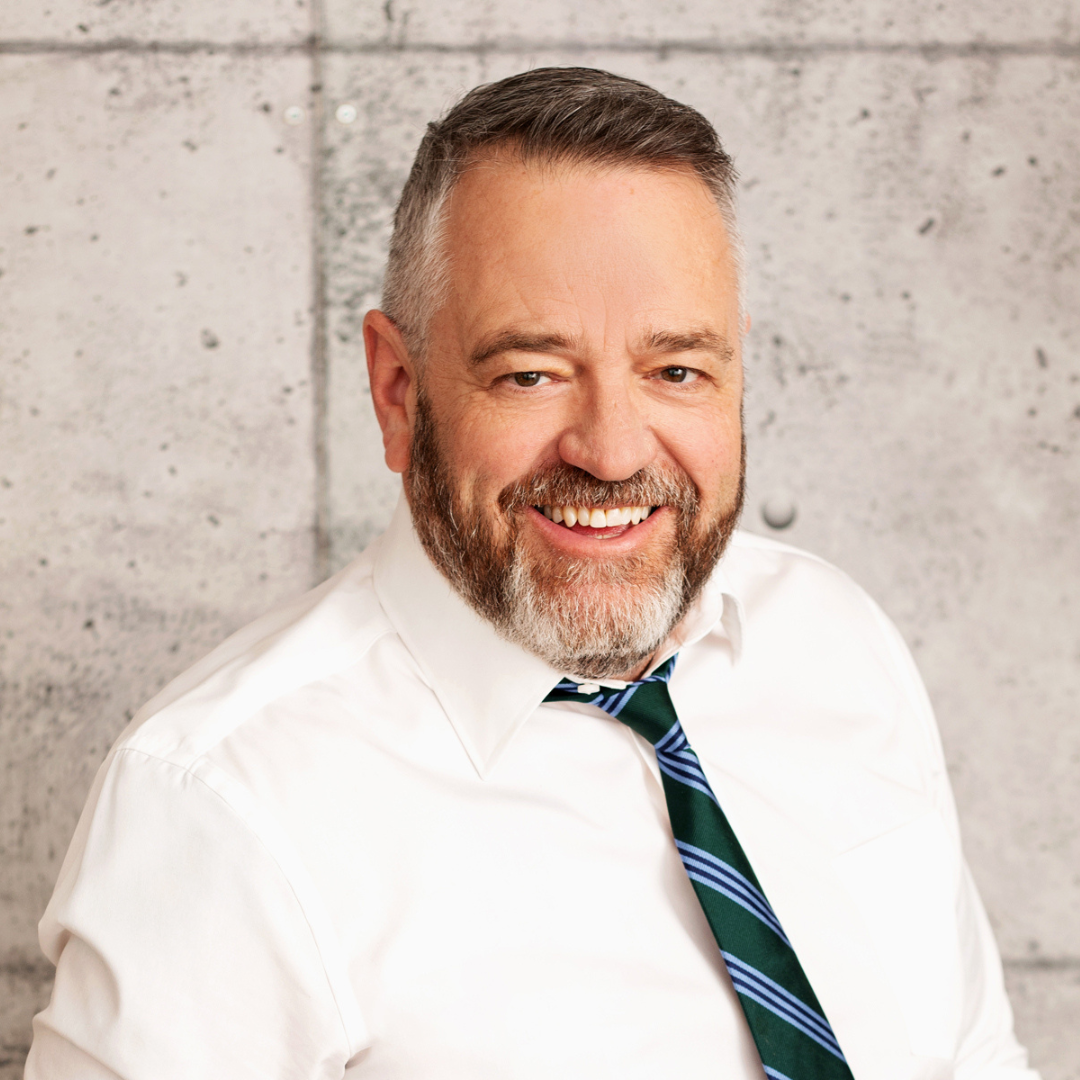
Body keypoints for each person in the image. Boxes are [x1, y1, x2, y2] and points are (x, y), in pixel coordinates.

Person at [26, 67, 1036, 1079]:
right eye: (531, 374)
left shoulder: (832, 638)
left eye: (675, 369)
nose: (609, 449)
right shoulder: (219, 808)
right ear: (397, 391)